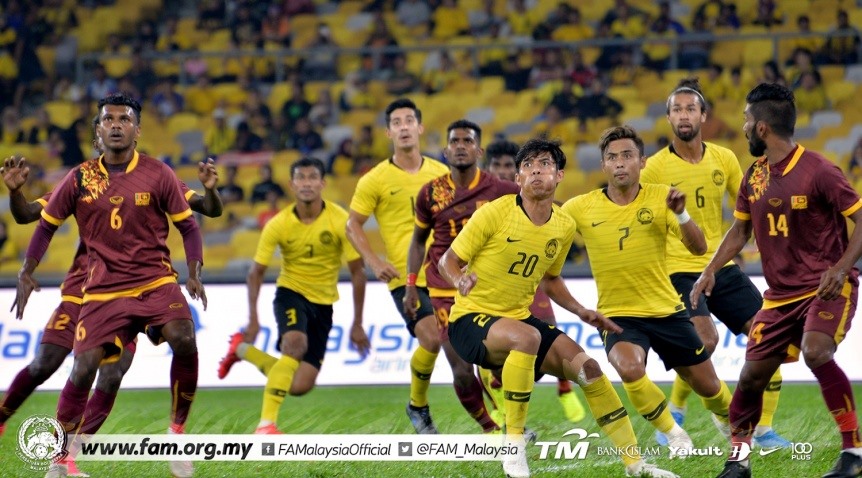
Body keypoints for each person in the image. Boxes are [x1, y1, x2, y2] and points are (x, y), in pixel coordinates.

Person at [439, 137, 677, 478]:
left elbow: (550, 280)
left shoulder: (564, 225)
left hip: (518, 321)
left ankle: (636, 465)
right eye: (528, 166)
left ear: (560, 175)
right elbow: (450, 260)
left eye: (545, 164)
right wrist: (459, 280)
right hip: (470, 322)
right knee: (527, 337)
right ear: (518, 179)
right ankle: (514, 448)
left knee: (590, 369)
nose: (537, 170)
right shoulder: (495, 212)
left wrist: (582, 311)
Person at [14, 93, 207, 478]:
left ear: (137, 130)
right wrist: (27, 270)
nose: (116, 124)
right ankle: (60, 459)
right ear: (98, 131)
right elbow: (45, 226)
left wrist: (194, 273)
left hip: (155, 281)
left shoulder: (158, 173)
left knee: (184, 336)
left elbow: (188, 224)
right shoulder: (80, 177)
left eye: (124, 119)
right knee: (83, 368)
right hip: (102, 290)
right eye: (108, 119)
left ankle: (177, 434)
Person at [693, 83, 862, 478]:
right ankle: (738, 462)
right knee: (751, 377)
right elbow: (739, 232)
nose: (745, 127)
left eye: (748, 120)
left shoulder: (820, 170)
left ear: (763, 127)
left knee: (816, 352)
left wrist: (840, 268)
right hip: (779, 297)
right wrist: (709, 270)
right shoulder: (754, 175)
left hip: (826, 286)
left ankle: (854, 453)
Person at [561, 125, 733, 458]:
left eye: (627, 156)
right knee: (627, 367)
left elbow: (699, 249)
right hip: (619, 316)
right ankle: (674, 432)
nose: (620, 163)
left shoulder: (662, 196)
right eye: (612, 157)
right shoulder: (580, 207)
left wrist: (681, 212)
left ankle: (732, 425)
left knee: (709, 387)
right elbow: (545, 232)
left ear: (642, 162)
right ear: (604, 166)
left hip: (667, 311)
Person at [642, 79, 790, 449]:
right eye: (677, 109)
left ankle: (765, 429)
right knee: (702, 341)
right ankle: (678, 411)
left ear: (703, 115)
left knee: (771, 337)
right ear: (669, 118)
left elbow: (749, 208)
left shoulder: (723, 158)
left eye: (691, 108)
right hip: (676, 269)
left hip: (721, 266)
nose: (684, 115)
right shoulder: (654, 169)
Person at [217, 157, 369, 434]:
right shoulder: (278, 224)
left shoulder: (340, 220)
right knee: (294, 345)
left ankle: (241, 350)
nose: (307, 183)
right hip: (291, 293)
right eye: (301, 178)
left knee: (299, 385)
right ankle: (266, 425)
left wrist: (358, 322)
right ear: (291, 184)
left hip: (323, 304)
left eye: (313, 178)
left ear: (323, 183)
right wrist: (253, 319)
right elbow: (255, 273)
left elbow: (358, 272)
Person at [404, 120, 518, 434]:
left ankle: (510, 422)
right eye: (455, 141)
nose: (461, 146)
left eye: (467, 141)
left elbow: (542, 205)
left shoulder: (498, 188)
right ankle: (491, 430)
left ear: (479, 150)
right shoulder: (431, 192)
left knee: (500, 363)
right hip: (443, 290)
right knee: (463, 371)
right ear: (446, 150)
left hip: (484, 290)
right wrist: (411, 286)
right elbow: (417, 241)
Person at [346, 98, 450, 433]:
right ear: (389, 133)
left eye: (409, 120)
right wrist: (374, 261)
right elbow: (352, 225)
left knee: (472, 351)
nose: (403, 127)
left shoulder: (442, 174)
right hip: (406, 279)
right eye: (396, 122)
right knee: (432, 338)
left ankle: (501, 425)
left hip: (445, 274)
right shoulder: (374, 179)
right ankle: (417, 405)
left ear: (420, 128)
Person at [480, 139, 587, 423]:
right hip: (493, 287)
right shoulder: (486, 202)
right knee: (496, 350)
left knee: (547, 333)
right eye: (497, 166)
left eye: (507, 165)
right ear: (488, 170)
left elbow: (556, 214)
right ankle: (500, 401)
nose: (503, 172)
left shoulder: (532, 195)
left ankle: (564, 388)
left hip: (534, 281)